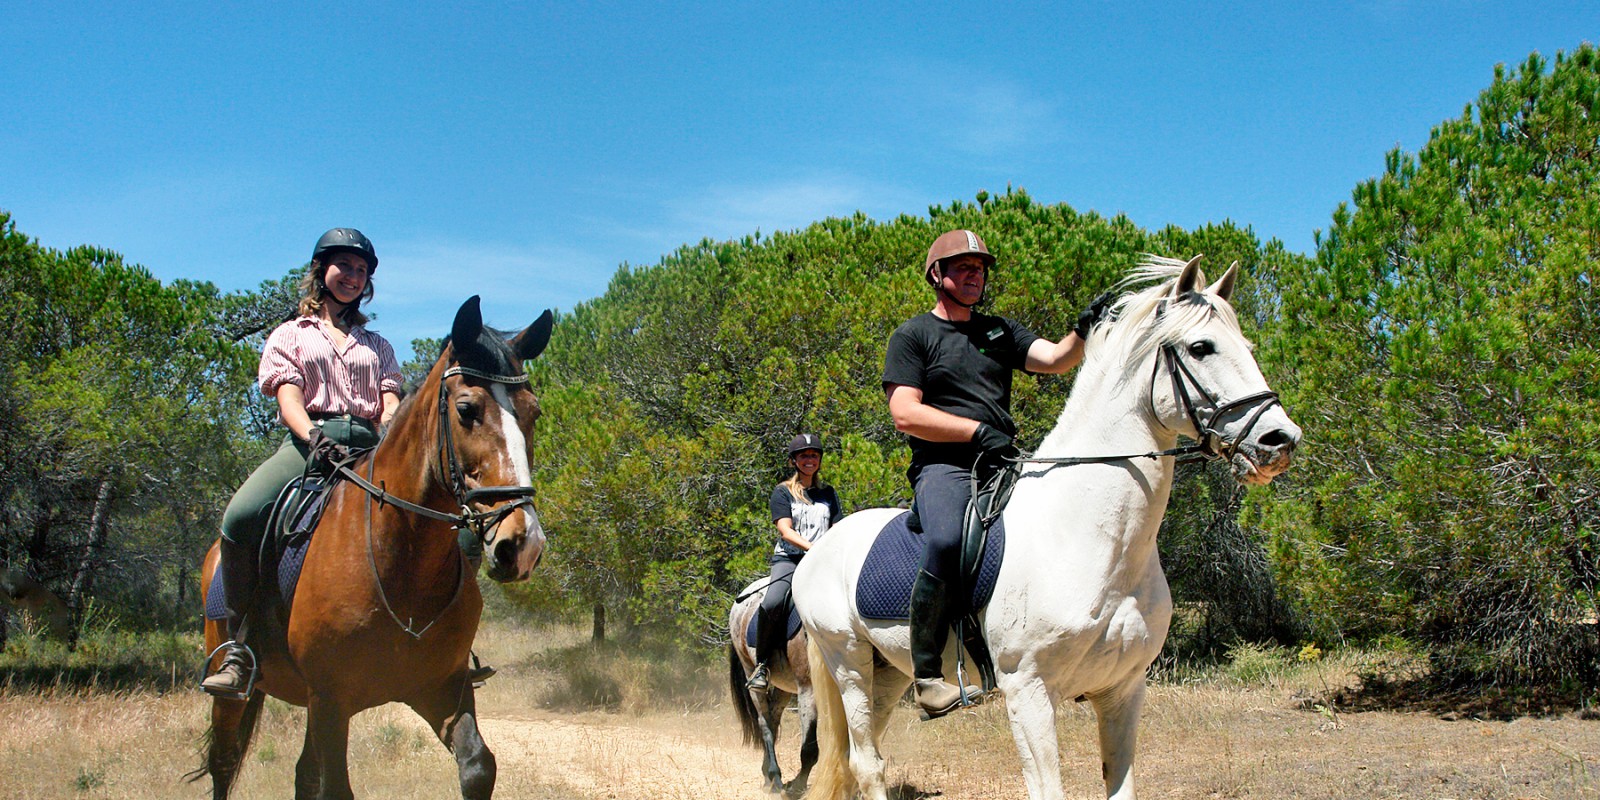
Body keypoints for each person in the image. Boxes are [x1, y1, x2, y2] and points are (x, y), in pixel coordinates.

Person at [881, 229, 1109, 719]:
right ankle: (927, 678)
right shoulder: (913, 336)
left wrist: (1085, 330)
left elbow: (1053, 360)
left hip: (1002, 462)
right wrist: (973, 432)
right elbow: (905, 413)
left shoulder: (997, 331)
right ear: (936, 276)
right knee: (944, 539)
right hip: (945, 466)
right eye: (962, 267)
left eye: (980, 268)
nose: (974, 275)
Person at [201, 228, 401, 697]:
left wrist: (389, 424)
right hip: (309, 444)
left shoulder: (379, 345)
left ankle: (442, 646)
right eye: (345, 267)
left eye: (361, 270)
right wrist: (312, 436)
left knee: (443, 513)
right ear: (321, 271)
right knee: (241, 514)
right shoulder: (291, 334)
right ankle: (238, 646)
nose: (353, 277)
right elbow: (289, 398)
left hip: (370, 447)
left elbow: (389, 399)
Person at [746, 433, 843, 692]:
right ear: (794, 461)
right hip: (790, 559)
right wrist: (814, 548)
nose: (809, 460)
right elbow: (786, 531)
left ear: (819, 460)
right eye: (803, 455)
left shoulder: (828, 493)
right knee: (774, 600)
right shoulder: (783, 492)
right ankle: (762, 664)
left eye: (813, 455)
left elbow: (836, 527)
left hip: (823, 561)